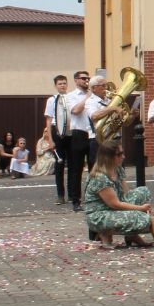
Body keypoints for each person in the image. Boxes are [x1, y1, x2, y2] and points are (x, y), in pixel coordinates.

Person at [84, 140, 154, 249]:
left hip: (113, 207)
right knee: (143, 219)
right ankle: (104, 233)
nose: (123, 156)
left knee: (143, 192)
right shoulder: (100, 177)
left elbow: (126, 194)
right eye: (119, 154)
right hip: (100, 214)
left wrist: (135, 206)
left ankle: (131, 235)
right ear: (108, 157)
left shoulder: (117, 169)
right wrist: (140, 209)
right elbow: (115, 204)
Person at [65, 71, 96, 210]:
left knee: (93, 169)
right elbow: (76, 110)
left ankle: (91, 198)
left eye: (88, 78)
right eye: (83, 78)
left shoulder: (94, 95)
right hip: (78, 133)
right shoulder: (70, 96)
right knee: (76, 169)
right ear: (76, 80)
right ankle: (76, 201)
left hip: (92, 133)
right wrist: (88, 97)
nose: (86, 81)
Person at [43, 74, 70, 205]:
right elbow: (48, 120)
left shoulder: (71, 98)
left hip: (70, 131)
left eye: (64, 83)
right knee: (59, 164)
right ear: (55, 85)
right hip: (56, 130)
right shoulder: (51, 100)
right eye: (60, 84)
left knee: (73, 164)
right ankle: (60, 195)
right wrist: (50, 140)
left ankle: (72, 194)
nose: (62, 85)